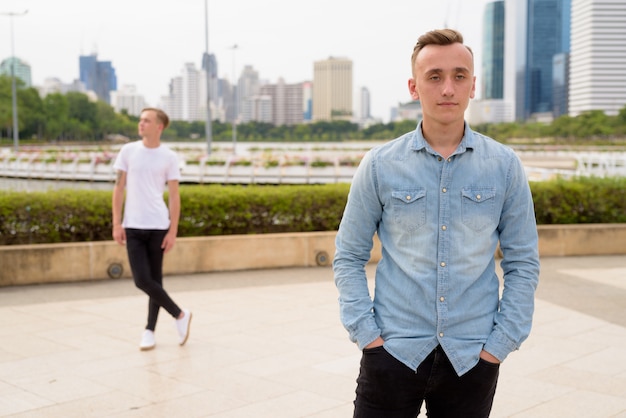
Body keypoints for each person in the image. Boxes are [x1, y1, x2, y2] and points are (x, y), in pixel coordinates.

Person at [333, 29, 540, 417]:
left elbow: (523, 262)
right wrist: (368, 337)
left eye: (459, 76)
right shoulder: (379, 165)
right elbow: (348, 256)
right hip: (392, 352)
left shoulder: (504, 166)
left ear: (473, 85)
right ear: (414, 87)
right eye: (434, 77)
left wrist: (499, 345)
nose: (448, 88)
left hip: (472, 357)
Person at [112, 107, 192, 351]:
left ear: (160, 126)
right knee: (142, 280)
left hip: (158, 225)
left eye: (146, 120)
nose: (141, 123)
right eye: (140, 120)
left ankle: (149, 330)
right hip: (133, 226)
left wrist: (173, 231)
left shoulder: (168, 156)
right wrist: (116, 222)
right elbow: (118, 189)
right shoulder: (128, 151)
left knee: (154, 280)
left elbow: (175, 197)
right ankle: (180, 314)